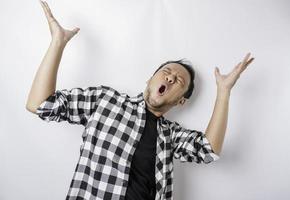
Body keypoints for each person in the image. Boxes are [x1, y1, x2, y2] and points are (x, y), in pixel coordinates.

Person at [26, 1, 255, 200]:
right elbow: (39, 104)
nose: (171, 77)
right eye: (167, 71)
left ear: (181, 102)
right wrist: (58, 42)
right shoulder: (105, 101)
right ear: (150, 79)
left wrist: (224, 91)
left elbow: (208, 150)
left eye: (179, 81)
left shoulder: (171, 135)